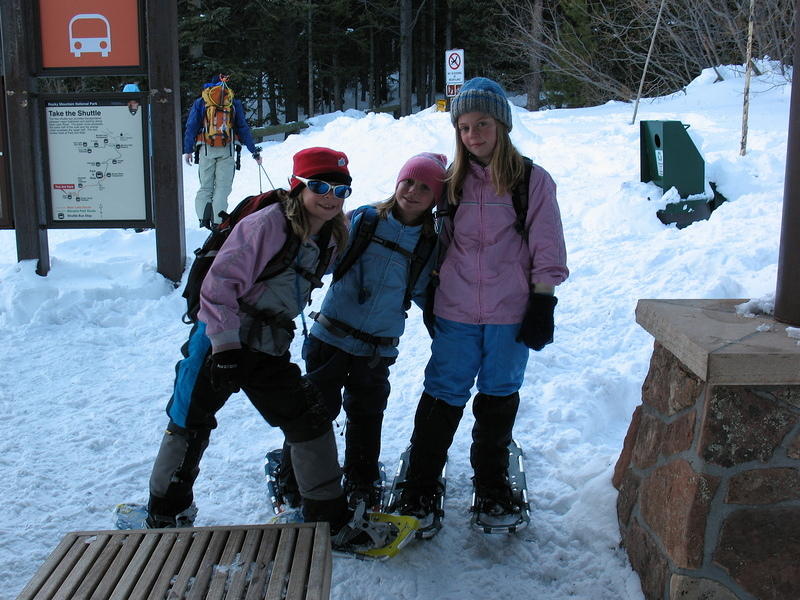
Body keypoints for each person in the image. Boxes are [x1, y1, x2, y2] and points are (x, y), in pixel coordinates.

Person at [145, 146, 393, 549]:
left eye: (340, 190)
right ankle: (164, 512)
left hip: (268, 348)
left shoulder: (330, 232)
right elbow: (218, 286)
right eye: (320, 186)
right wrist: (225, 349)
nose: (330, 196)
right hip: (219, 341)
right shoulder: (266, 225)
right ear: (298, 187)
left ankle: (327, 517)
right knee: (189, 419)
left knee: (308, 419)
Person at [394, 77, 569, 534]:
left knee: (498, 395)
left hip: (510, 314)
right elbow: (419, 228)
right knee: (443, 393)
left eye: (483, 124)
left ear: (502, 125)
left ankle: (492, 482)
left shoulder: (532, 180)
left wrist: (542, 303)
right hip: (454, 310)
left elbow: (548, 247)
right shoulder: (450, 182)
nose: (474, 135)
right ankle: (421, 481)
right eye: (465, 127)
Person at [270, 153, 447, 512]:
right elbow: (324, 256)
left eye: (425, 188)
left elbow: (425, 293)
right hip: (330, 336)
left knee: (367, 413)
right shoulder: (365, 219)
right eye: (408, 181)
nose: (412, 192)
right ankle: (293, 477)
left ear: (436, 199)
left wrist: (447, 329)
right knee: (315, 409)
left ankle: (361, 482)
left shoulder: (428, 243)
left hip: (376, 349)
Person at [182, 74, 263, 229]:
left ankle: (203, 219)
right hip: (226, 149)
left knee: (205, 185)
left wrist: (188, 149)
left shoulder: (202, 102)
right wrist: (254, 151)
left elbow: (191, 126)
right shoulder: (232, 103)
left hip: (205, 148)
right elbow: (242, 128)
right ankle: (218, 221)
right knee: (222, 186)